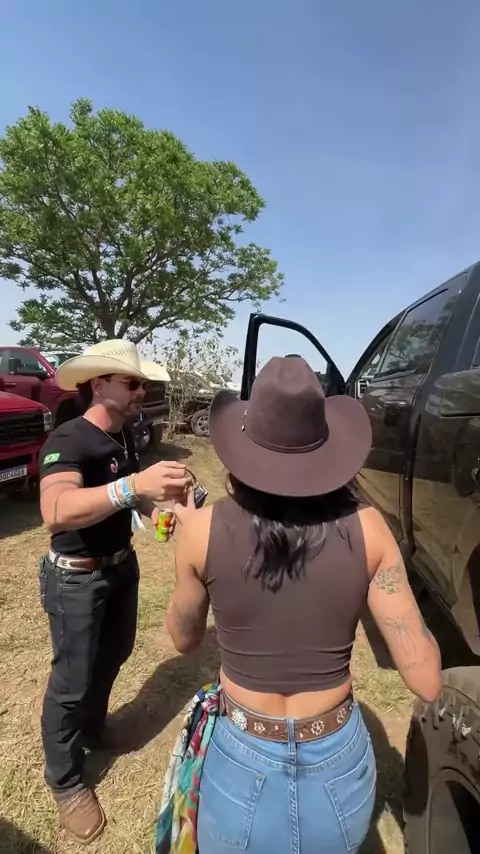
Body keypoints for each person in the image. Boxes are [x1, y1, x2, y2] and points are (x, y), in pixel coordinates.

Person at [166, 356, 442, 854]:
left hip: (240, 756)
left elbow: (183, 639)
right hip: (338, 767)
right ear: (327, 450)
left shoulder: (200, 531)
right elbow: (426, 680)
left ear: (245, 447)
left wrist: (192, 552)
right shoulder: (371, 529)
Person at [38, 340, 192, 845]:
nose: (141, 390)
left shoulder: (124, 435)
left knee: (115, 653)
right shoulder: (69, 438)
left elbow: (128, 493)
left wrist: (154, 509)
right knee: (71, 681)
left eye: (142, 383)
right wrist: (133, 489)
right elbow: (56, 510)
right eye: (133, 382)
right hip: (77, 579)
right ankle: (66, 781)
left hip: (120, 567)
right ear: (99, 384)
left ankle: (94, 729)